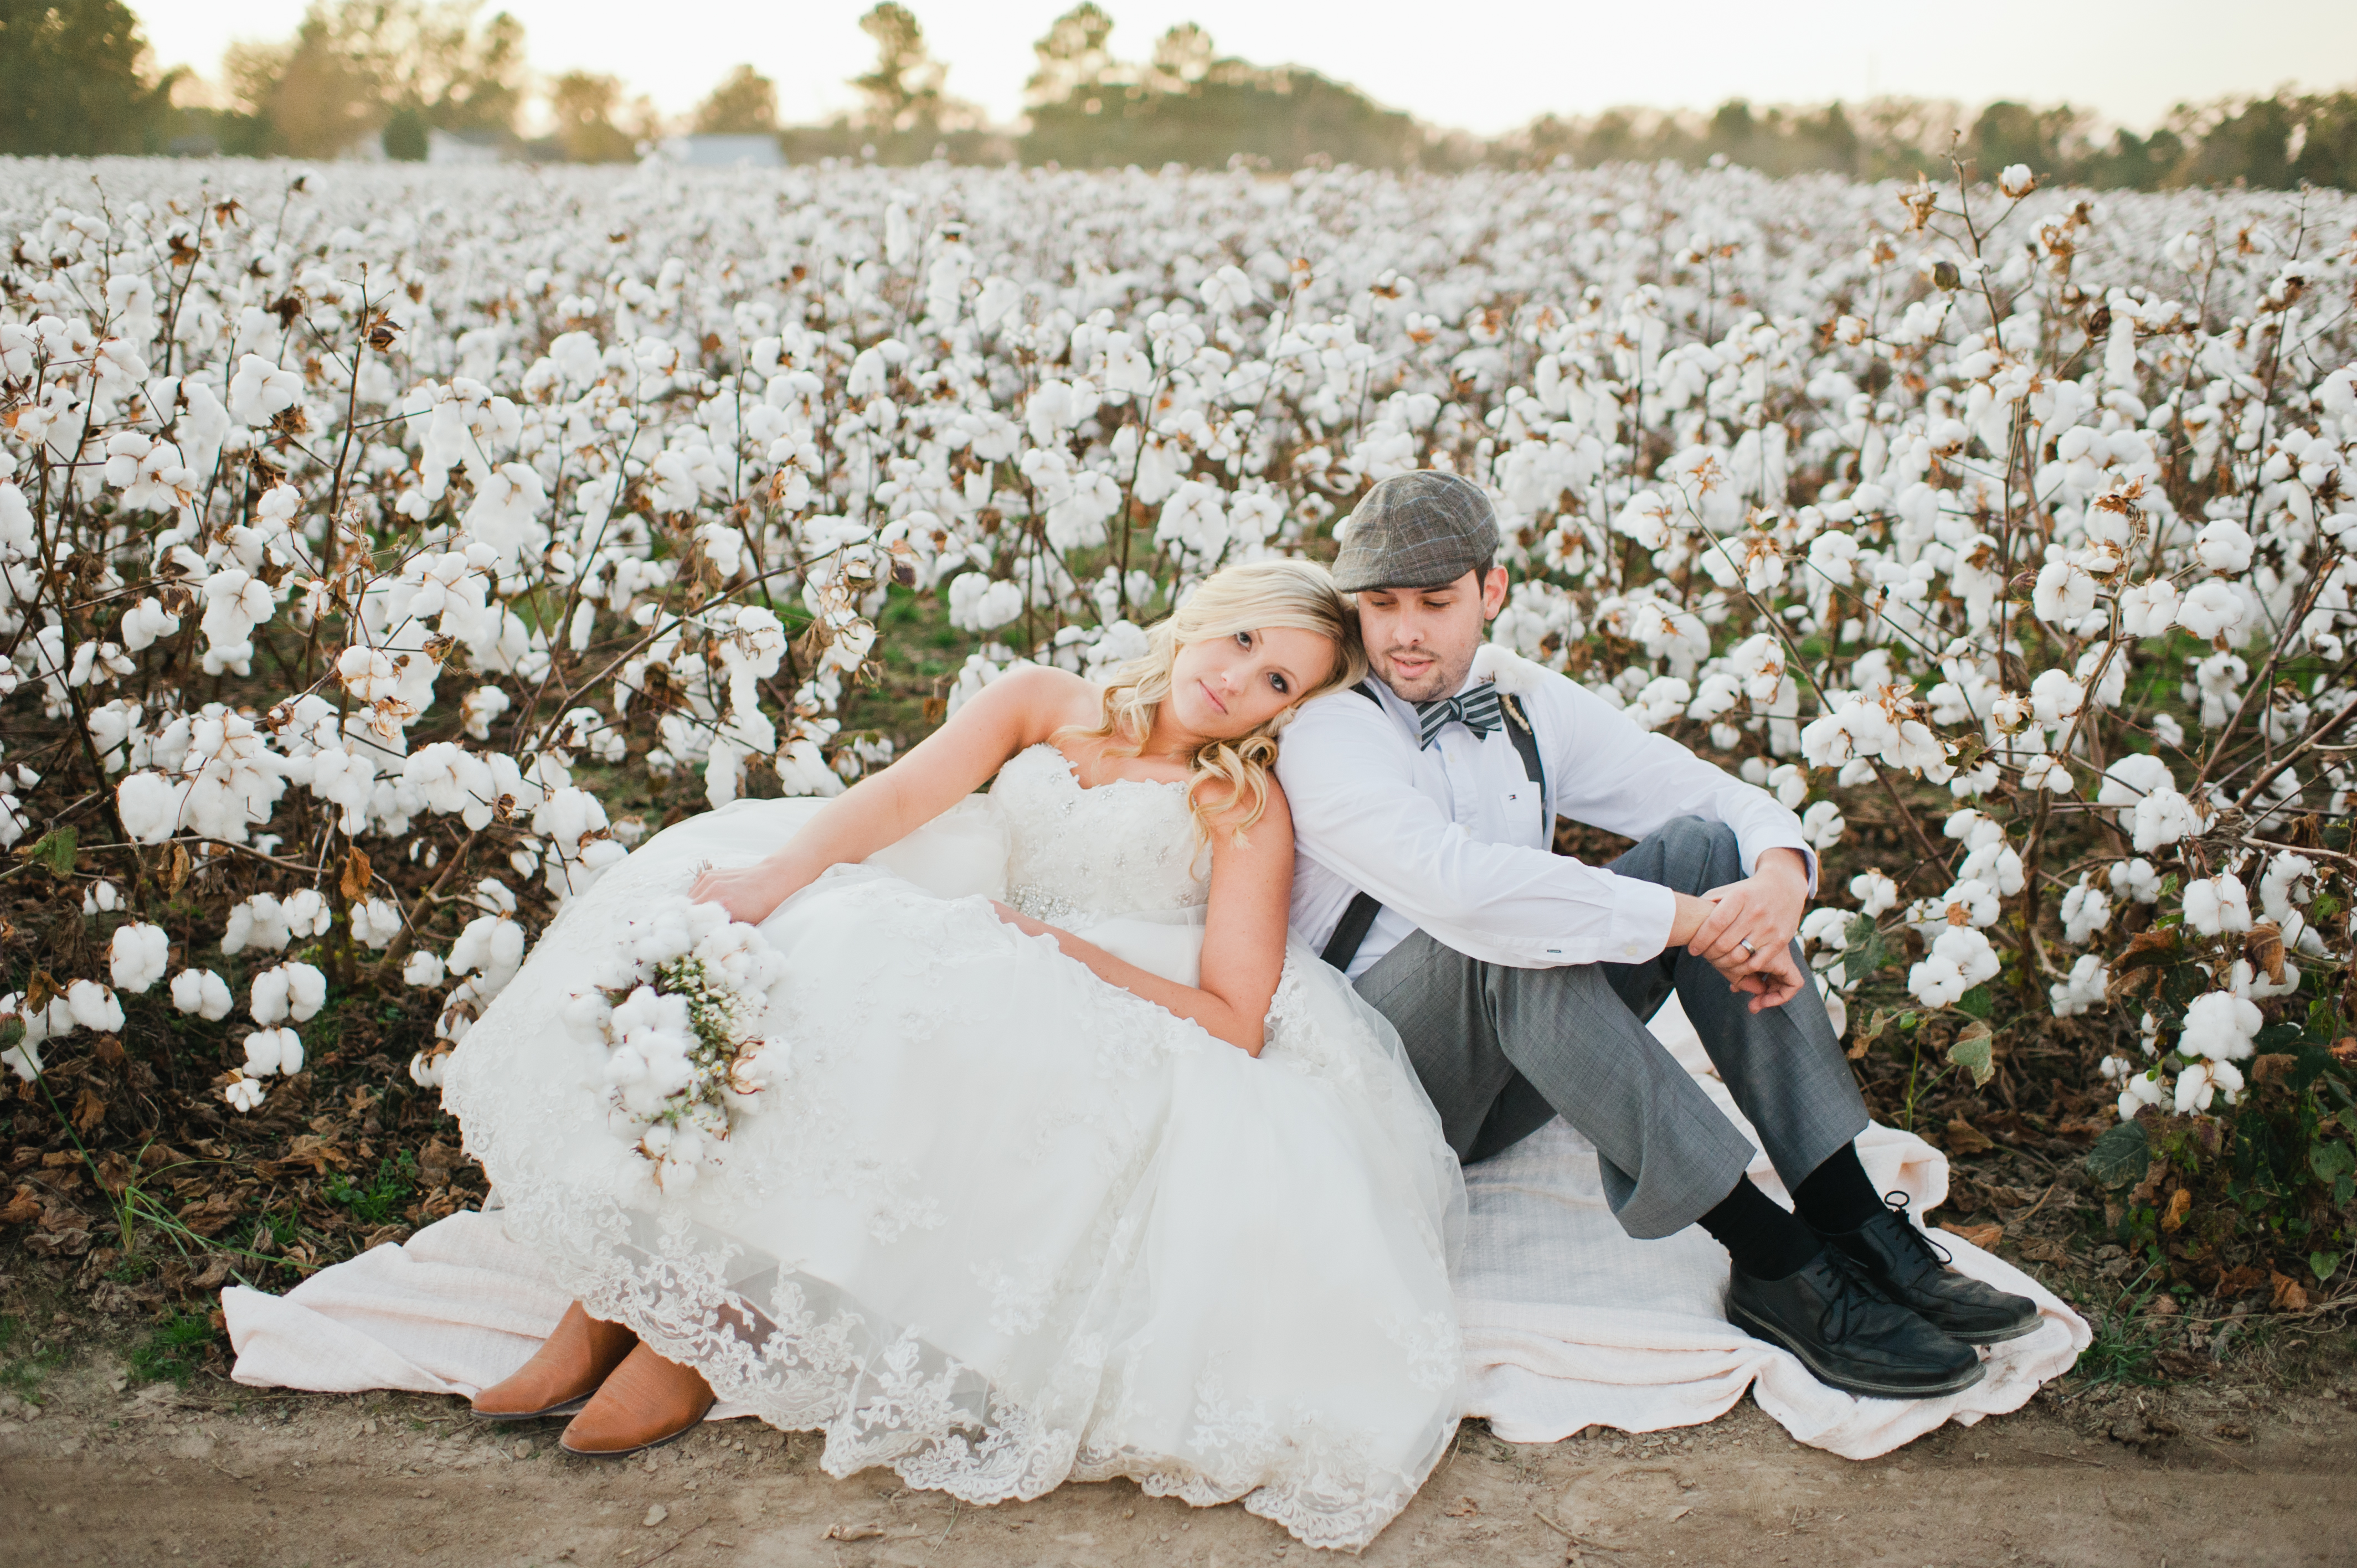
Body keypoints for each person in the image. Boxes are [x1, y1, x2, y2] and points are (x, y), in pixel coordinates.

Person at [441, 559, 1467, 1552]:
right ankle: (625, 1292)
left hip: (1103, 994)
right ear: (1206, 616)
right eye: (1242, 640)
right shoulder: (1043, 697)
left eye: (1276, 681)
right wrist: (778, 878)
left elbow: (1237, 1018)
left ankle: (701, 1327)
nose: (1237, 678)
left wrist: (1062, 953)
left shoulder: (1237, 801)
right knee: (825, 941)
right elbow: (896, 800)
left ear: (1285, 715)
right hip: (967, 922)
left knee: (936, 1006)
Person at [1272, 471, 2039, 1401]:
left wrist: (1779, 879)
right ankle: (1776, 1259)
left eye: (1434, 603)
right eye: (1380, 604)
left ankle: (1846, 1216)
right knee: (1509, 932)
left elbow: (1704, 794)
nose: (1402, 633)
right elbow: (1463, 891)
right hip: (1384, 1078)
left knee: (1710, 849)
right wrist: (1686, 925)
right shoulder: (1329, 730)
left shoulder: (1521, 697)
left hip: (1518, 1069)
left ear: (1492, 592)